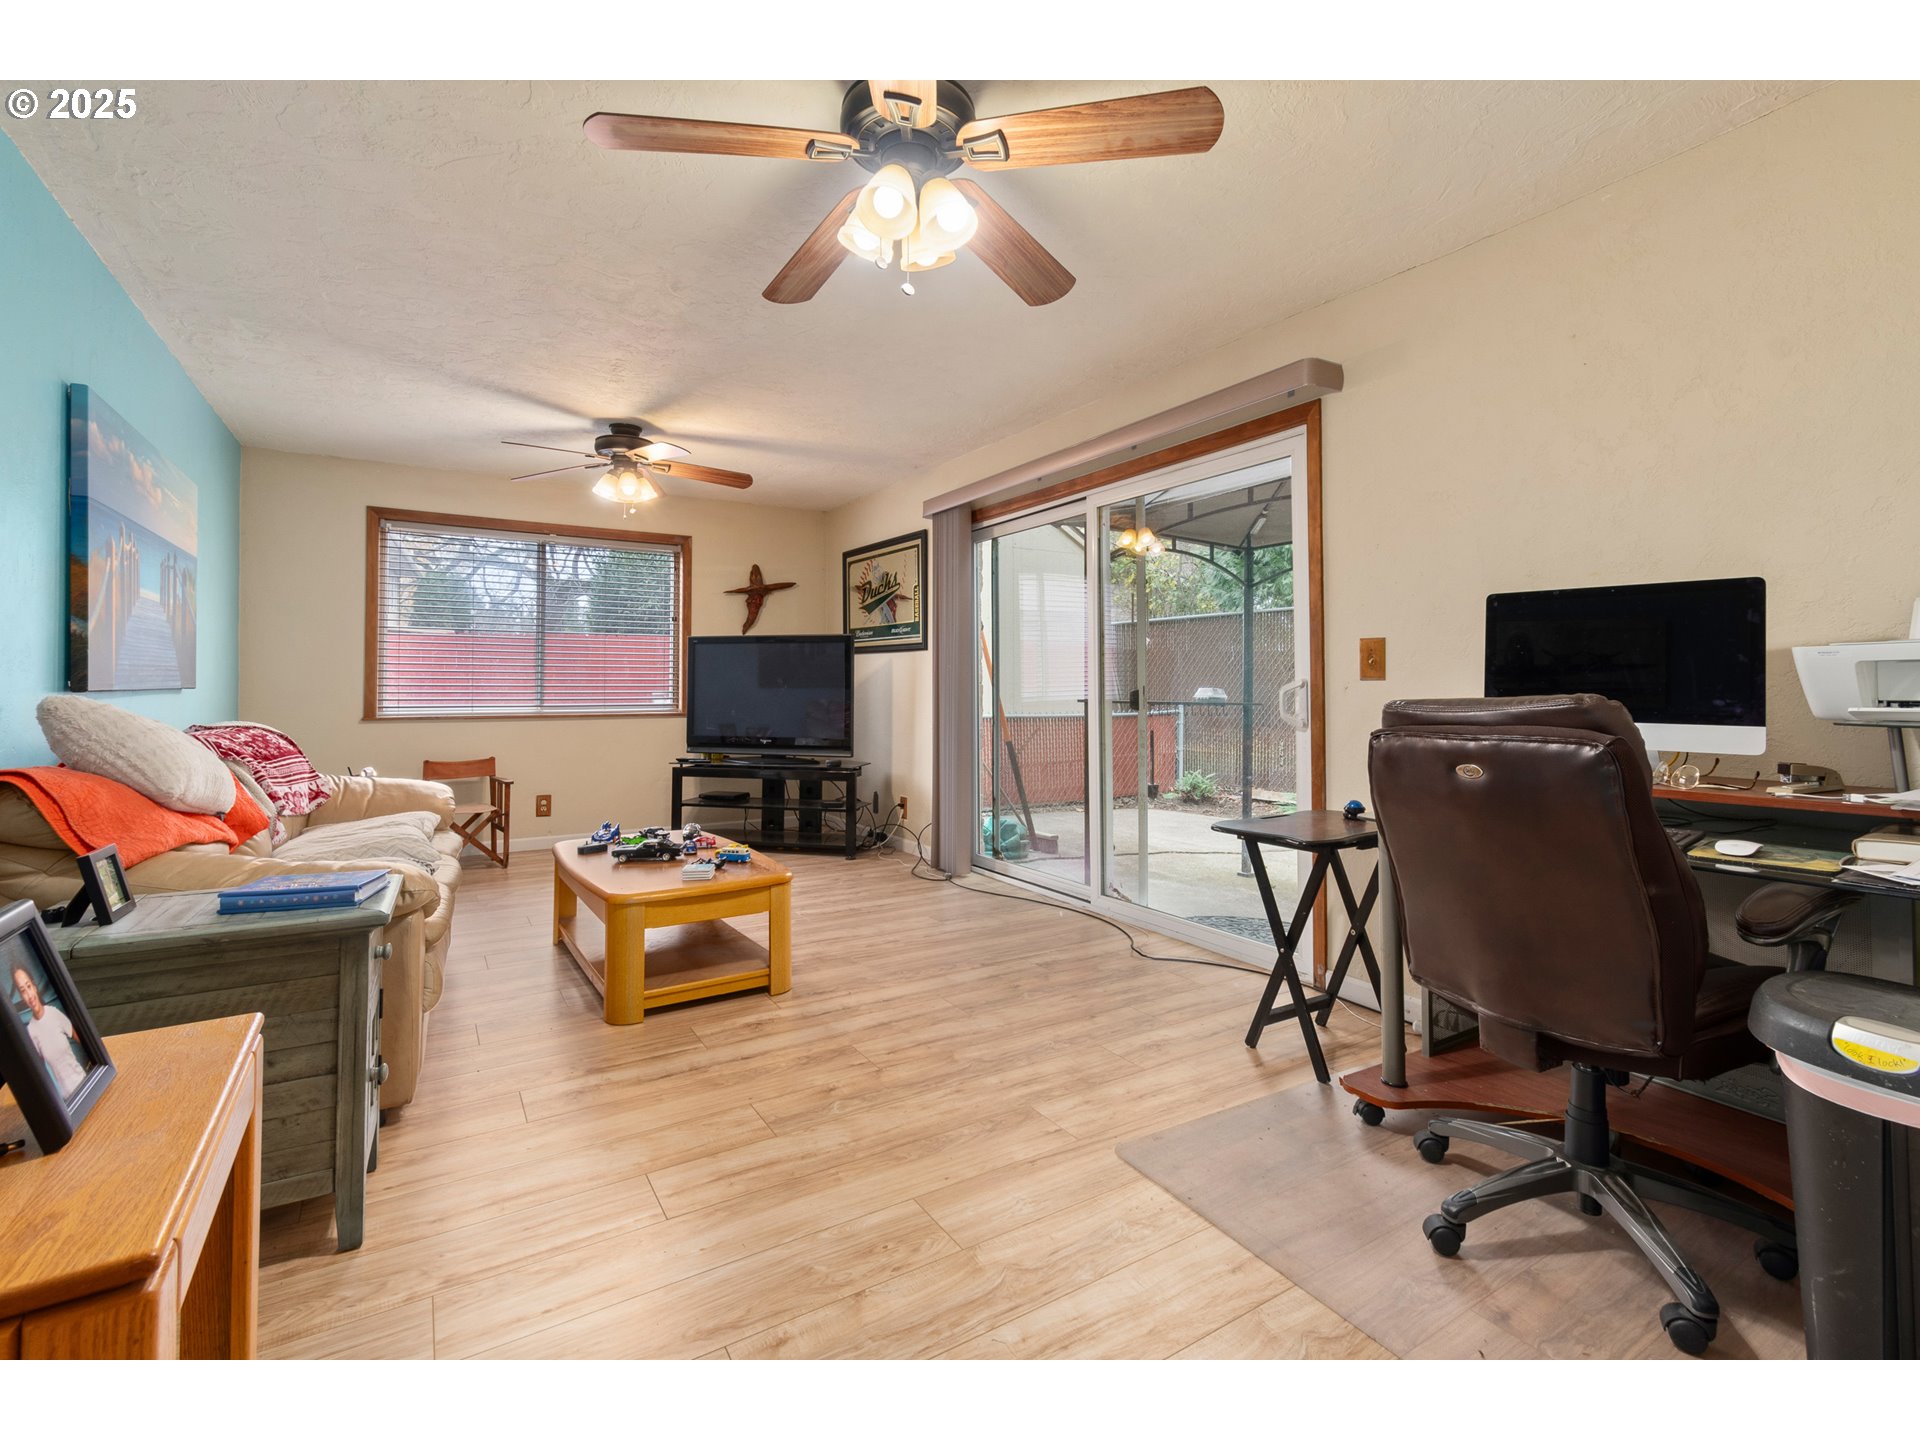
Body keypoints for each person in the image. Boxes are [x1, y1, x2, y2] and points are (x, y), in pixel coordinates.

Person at [11, 963, 88, 1098]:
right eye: (23, 991)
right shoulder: (31, 1032)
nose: (29, 995)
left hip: (84, 1085)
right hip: (68, 1102)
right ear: (21, 996)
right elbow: (40, 1076)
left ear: (34, 987)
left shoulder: (54, 1014)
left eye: (29, 986)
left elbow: (85, 1043)